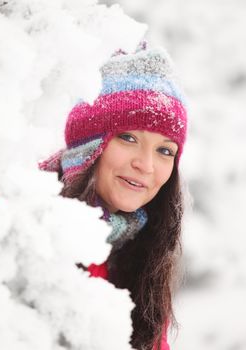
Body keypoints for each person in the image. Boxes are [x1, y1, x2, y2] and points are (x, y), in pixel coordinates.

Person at [38, 44, 188, 350]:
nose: (146, 165)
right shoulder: (23, 223)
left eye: (165, 151)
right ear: (89, 145)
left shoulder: (142, 255)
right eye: (128, 138)